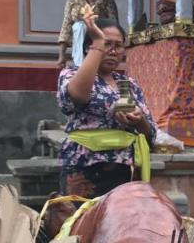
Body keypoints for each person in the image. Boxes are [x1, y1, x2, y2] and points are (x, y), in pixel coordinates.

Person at [57, 16, 155, 198]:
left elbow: (150, 134)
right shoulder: (71, 74)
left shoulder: (128, 83)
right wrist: (98, 43)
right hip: (84, 166)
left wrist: (138, 119)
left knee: (121, 224)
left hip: (124, 169)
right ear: (89, 47)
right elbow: (78, 95)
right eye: (106, 44)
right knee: (82, 222)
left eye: (118, 46)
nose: (112, 51)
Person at [57, 0, 119, 68]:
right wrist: (61, 55)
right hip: (79, 46)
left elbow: (114, 25)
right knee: (80, 25)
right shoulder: (72, 1)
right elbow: (66, 28)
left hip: (100, 43)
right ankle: (81, 66)